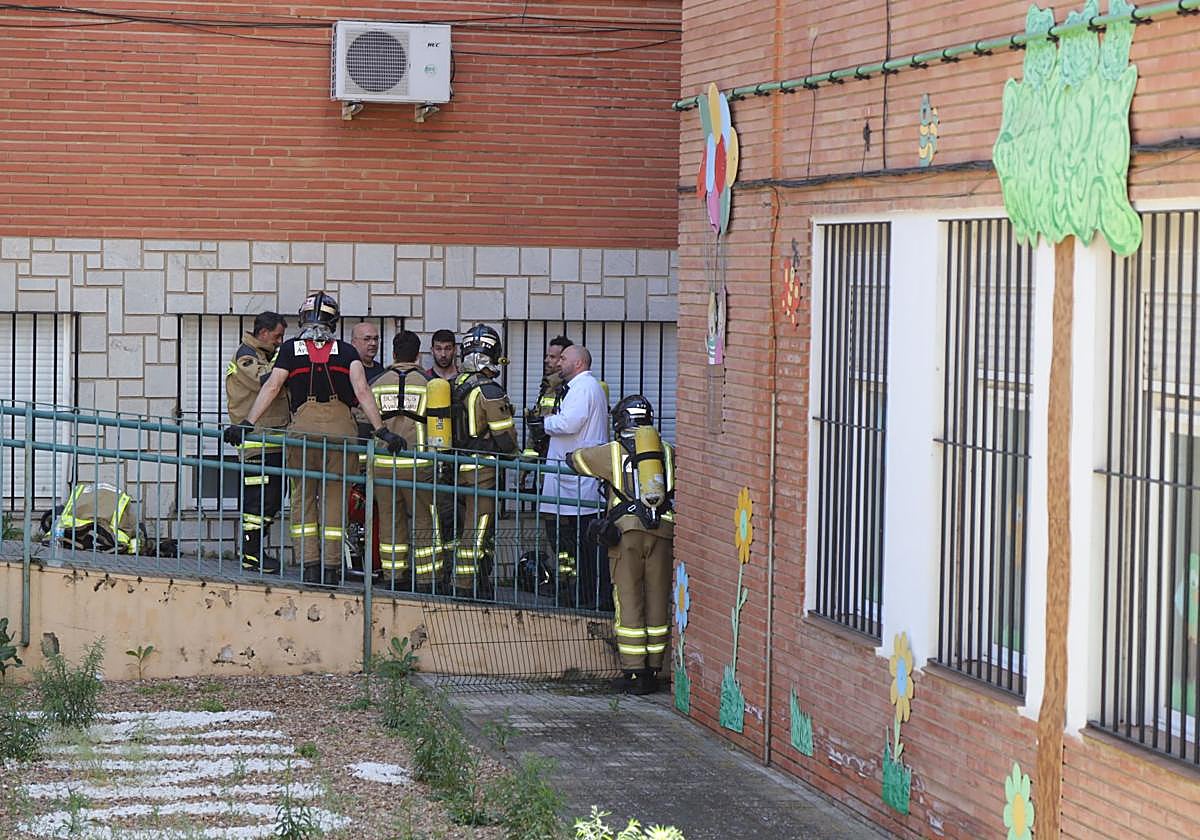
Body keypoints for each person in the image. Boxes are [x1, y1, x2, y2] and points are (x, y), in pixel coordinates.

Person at [225, 292, 405, 585]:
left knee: (303, 499)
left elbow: (272, 387)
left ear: (303, 318)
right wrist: (382, 430)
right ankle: (331, 568)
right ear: (334, 321)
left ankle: (310, 565)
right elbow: (362, 392)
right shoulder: (348, 352)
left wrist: (247, 423)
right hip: (341, 434)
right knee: (335, 499)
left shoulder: (290, 350)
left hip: (303, 434)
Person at [567, 395, 674, 694]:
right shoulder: (666, 450)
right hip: (663, 532)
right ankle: (654, 669)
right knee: (657, 599)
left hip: (627, 534)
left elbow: (575, 460)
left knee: (628, 599)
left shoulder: (613, 451)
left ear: (621, 421)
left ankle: (634, 672)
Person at [368, 330, 442, 590]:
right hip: (418, 465)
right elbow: (440, 425)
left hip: (383, 465)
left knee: (389, 521)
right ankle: (427, 579)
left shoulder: (376, 383)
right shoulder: (430, 384)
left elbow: (363, 421)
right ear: (418, 355)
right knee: (424, 521)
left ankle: (393, 576)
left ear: (393, 353)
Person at [449, 323, 518, 597]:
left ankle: (473, 580)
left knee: (461, 529)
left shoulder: (453, 385)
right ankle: (466, 587)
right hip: (482, 471)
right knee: (478, 531)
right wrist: (517, 456)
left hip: (454, 467)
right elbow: (505, 438)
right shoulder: (490, 391)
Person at [541, 345, 609, 607]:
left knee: (584, 544)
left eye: (564, 358)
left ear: (579, 363)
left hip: (579, 479)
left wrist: (544, 423)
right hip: (577, 478)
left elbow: (569, 423)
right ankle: (585, 593)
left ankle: (588, 596)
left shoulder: (583, 388)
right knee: (581, 544)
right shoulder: (583, 387)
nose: (559, 362)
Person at [224, 312, 289, 574]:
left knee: (271, 499)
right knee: (258, 501)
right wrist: (288, 362)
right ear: (263, 333)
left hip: (272, 440)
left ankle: (254, 553)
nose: (279, 341)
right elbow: (265, 380)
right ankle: (251, 555)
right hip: (256, 443)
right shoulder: (246, 355)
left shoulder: (265, 354)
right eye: (277, 336)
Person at [524, 335, 572, 459]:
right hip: (543, 457)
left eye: (552, 357)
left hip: (559, 457)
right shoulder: (547, 386)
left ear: (564, 360)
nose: (546, 360)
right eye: (547, 356)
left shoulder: (571, 389)